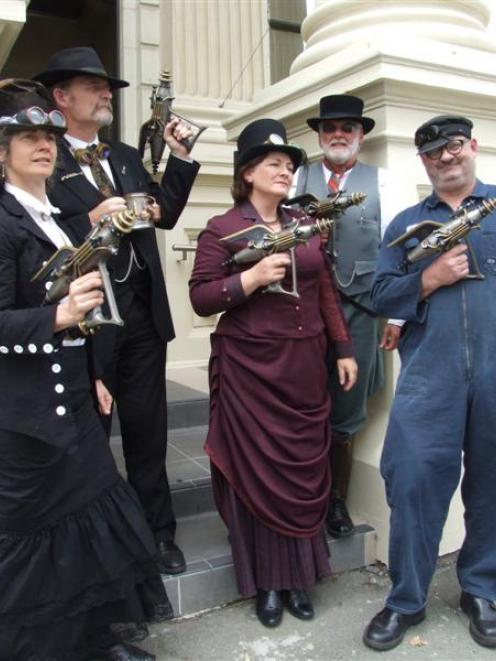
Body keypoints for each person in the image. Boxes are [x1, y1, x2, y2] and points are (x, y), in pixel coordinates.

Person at [0, 78, 172, 661]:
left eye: (47, 135)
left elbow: (81, 314)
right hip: (23, 416)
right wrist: (56, 316)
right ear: (2, 152)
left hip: (73, 395)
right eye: (26, 137)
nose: (43, 145)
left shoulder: (58, 219)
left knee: (93, 518)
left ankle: (98, 640)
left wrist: (95, 371)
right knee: (38, 540)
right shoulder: (1, 221)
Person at [34, 47, 201, 575]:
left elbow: (165, 214)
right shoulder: (42, 160)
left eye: (107, 87)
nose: (106, 93)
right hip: (90, 320)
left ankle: (159, 535)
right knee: (92, 441)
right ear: (62, 98)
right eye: (94, 86)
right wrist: (90, 215)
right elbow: (39, 238)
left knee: (148, 432)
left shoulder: (127, 156)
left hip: (143, 316)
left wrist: (178, 159)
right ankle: (103, 545)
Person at [189, 118, 357, 627]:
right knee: (257, 475)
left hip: (305, 366)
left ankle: (300, 578)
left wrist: (343, 348)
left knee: (302, 469)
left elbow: (325, 289)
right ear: (247, 174)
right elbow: (200, 297)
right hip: (251, 367)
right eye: (274, 164)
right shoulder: (221, 228)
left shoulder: (305, 222)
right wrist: (251, 277)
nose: (286, 171)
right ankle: (265, 583)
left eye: (289, 165)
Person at [363, 115, 496, 651]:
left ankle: (481, 590)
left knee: (492, 487)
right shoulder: (405, 223)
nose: (446, 157)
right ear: (423, 162)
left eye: (454, 146)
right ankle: (406, 600)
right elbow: (379, 293)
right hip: (429, 377)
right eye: (433, 152)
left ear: (473, 146)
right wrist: (429, 279)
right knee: (413, 480)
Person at [294, 94, 402, 538]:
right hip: (304, 309)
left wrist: (397, 317)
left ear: (360, 136)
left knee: (347, 406)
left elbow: (397, 254)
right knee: (301, 400)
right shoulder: (296, 177)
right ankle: (302, 495)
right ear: (319, 135)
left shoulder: (385, 181)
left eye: (347, 128)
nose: (338, 135)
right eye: (330, 129)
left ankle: (336, 502)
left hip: (360, 310)